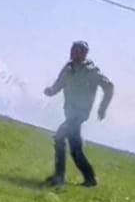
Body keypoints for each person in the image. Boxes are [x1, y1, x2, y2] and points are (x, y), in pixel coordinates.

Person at [43, 40, 115, 187]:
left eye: (77, 50)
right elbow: (59, 84)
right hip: (70, 112)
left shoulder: (91, 71)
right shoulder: (68, 68)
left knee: (59, 137)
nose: (73, 53)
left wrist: (102, 108)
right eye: (72, 50)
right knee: (75, 149)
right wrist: (50, 91)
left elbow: (109, 87)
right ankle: (90, 178)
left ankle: (59, 176)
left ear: (84, 54)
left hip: (80, 114)